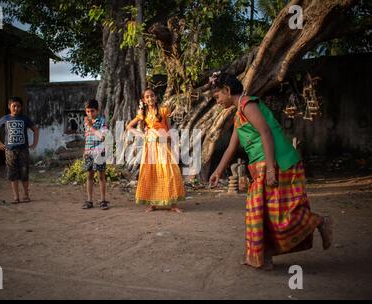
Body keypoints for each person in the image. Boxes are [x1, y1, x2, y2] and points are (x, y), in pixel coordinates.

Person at [208, 73, 333, 270]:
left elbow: (265, 132)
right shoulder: (239, 113)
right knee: (259, 213)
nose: (217, 102)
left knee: (279, 216)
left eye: (217, 97)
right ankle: (262, 257)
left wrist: (270, 169)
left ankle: (319, 221)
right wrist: (217, 171)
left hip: (278, 163)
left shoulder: (248, 104)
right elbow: (231, 147)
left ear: (227, 90)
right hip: (263, 165)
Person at [126, 88, 186, 213]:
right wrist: (142, 135)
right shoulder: (142, 114)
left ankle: (173, 204)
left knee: (169, 172)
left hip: (164, 145)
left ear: (155, 97)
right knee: (151, 173)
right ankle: (153, 204)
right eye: (147, 97)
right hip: (150, 147)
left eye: (152, 96)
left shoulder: (164, 110)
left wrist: (172, 144)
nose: (150, 98)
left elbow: (169, 129)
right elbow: (129, 126)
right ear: (144, 100)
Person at [0, 96, 38, 204]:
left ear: (21, 107)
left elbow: (35, 129)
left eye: (18, 106)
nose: (16, 108)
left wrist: (34, 143)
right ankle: (16, 197)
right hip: (9, 151)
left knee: (24, 173)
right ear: (9, 107)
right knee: (12, 174)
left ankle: (26, 195)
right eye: (14, 106)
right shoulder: (5, 119)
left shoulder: (25, 119)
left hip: (23, 150)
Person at [81, 99, 109, 210]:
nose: (90, 114)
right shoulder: (86, 122)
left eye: (92, 111)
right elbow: (87, 137)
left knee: (101, 176)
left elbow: (102, 136)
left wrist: (91, 126)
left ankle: (102, 200)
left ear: (97, 111)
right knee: (89, 176)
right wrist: (85, 150)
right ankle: (89, 200)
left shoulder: (102, 121)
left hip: (100, 152)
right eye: (87, 111)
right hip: (89, 152)